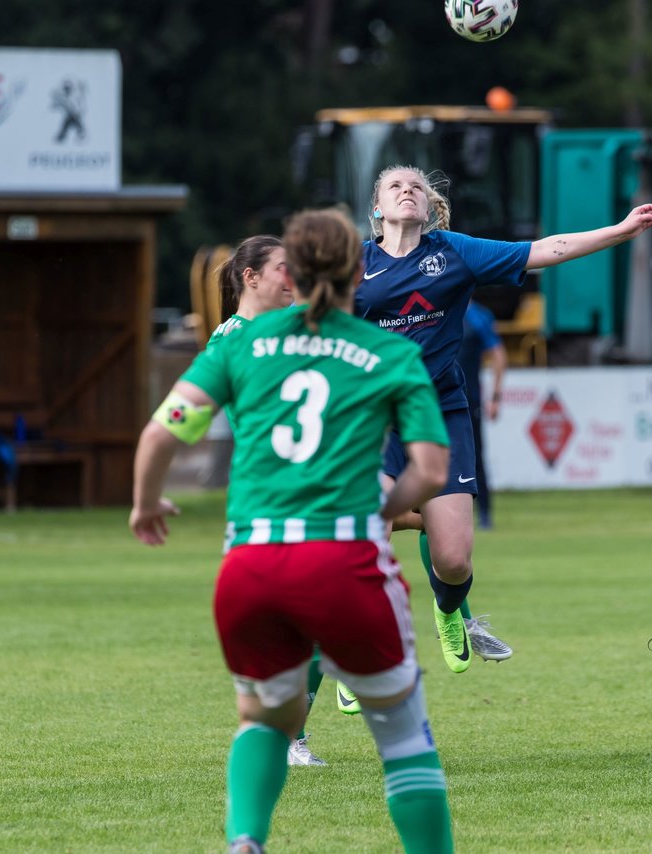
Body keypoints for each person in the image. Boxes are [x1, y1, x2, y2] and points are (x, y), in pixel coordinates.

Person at [130, 209, 455, 854]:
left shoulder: (241, 344)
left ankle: (246, 838)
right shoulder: (386, 351)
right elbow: (430, 470)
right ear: (360, 269)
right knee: (401, 733)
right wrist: (387, 508)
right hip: (342, 561)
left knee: (262, 719)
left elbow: (162, 432)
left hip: (250, 565)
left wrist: (145, 503)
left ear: (294, 273)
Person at [354, 164, 652, 673]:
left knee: (454, 563)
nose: (407, 191)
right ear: (377, 209)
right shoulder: (354, 264)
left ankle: (449, 609)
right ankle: (358, 659)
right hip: (372, 421)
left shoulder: (453, 252)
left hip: (439, 417)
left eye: (416, 187)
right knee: (364, 545)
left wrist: (621, 230)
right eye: (395, 186)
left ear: (430, 208)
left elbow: (549, 249)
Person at [208, 235, 327, 767]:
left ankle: (290, 734)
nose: (292, 281)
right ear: (250, 277)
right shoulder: (230, 340)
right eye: (283, 270)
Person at [460, 298, 506, 530]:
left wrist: (496, 396)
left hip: (470, 400)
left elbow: (498, 354)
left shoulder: (477, 315)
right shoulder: (432, 306)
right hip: (431, 400)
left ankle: (485, 514)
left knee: (475, 458)